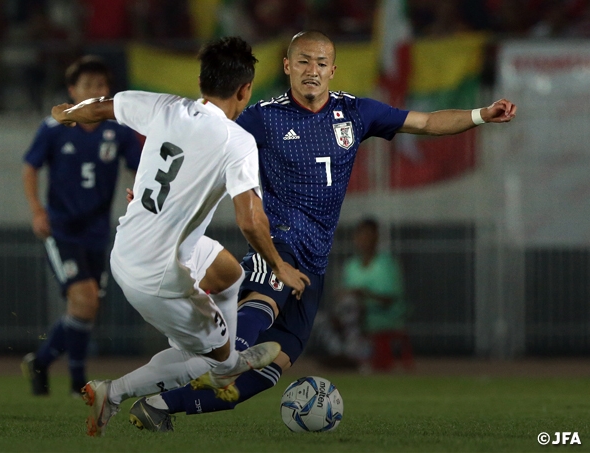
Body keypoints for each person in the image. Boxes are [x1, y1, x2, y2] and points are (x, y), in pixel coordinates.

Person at [125, 30, 517, 432]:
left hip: (315, 256)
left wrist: (479, 115)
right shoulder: (262, 116)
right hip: (277, 240)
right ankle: (224, 360)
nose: (312, 70)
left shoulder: (355, 112)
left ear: (333, 69)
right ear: (287, 67)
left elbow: (428, 122)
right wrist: (153, 189)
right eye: (303, 61)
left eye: (321, 63)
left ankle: (158, 405)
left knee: (274, 365)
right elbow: (200, 136)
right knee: (261, 308)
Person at [50, 36, 310, 437]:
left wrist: (68, 112)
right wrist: (280, 267)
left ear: (203, 80)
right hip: (158, 275)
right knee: (217, 364)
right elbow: (250, 221)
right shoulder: (237, 141)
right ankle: (116, 392)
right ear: (245, 90)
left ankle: (217, 342)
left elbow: (102, 106)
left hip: (130, 247)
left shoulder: (165, 106)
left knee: (228, 273)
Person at [21, 56, 142, 397]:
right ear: (72, 91)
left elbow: (140, 167)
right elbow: (30, 168)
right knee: (84, 298)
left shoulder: (117, 130)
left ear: (108, 91)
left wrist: (143, 196)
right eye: (87, 86)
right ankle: (77, 383)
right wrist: (37, 211)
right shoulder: (53, 128)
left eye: (100, 86)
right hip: (61, 229)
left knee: (86, 305)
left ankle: (41, 361)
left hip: (98, 230)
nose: (94, 91)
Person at [339, 218, 411, 371]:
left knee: (351, 307)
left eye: (368, 235)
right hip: (354, 318)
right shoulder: (351, 265)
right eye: (360, 235)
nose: (364, 240)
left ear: (377, 238)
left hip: (383, 317)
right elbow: (345, 294)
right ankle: (350, 355)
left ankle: (357, 357)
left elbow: (389, 299)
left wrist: (364, 294)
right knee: (322, 321)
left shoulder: (386, 264)